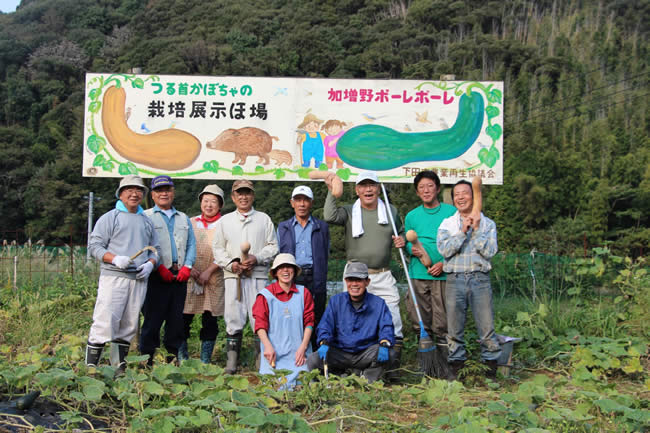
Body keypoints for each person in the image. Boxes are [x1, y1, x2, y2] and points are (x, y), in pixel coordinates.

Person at [323, 170, 406, 368]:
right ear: (357, 190)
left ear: (378, 188)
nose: (368, 189)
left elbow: (400, 232)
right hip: (355, 276)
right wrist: (332, 193)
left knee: (393, 318)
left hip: (382, 273)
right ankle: (352, 364)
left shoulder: (390, 211)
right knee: (349, 320)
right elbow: (329, 215)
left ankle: (391, 366)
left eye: (372, 185)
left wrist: (402, 240)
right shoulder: (350, 211)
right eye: (363, 185)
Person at [86, 175, 160, 374]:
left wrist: (151, 265)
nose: (134, 194)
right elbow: (95, 246)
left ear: (143, 194)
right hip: (114, 277)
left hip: (138, 279)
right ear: (121, 194)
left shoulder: (146, 221)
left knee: (128, 324)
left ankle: (118, 368)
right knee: (105, 320)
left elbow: (155, 249)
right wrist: (115, 258)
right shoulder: (110, 218)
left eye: (138, 190)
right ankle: (91, 369)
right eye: (129, 190)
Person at [212, 179, 279, 374]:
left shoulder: (264, 219)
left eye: (247, 192)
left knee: (260, 317)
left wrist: (257, 258)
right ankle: (232, 363)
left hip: (257, 276)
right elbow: (217, 248)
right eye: (239, 193)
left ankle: (262, 362)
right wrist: (231, 264)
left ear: (253, 195)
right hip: (234, 277)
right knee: (233, 318)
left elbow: (273, 246)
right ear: (233, 197)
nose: (243, 196)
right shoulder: (225, 221)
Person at [437, 180, 501, 378]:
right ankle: (456, 370)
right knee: (454, 328)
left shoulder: (488, 224)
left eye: (466, 193)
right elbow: (444, 250)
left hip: (480, 279)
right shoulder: (448, 224)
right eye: (457, 194)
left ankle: (490, 373)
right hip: (454, 279)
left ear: (474, 197)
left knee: (486, 327)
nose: (461, 197)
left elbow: (490, 251)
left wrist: (476, 231)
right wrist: (463, 231)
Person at [306, 261, 395, 383]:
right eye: (350, 280)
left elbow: (387, 327)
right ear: (346, 281)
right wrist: (324, 341)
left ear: (367, 282)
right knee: (313, 359)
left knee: (390, 354)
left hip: (365, 352)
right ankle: (329, 381)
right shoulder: (336, 301)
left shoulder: (379, 304)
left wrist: (385, 343)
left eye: (358, 280)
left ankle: (368, 380)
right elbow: (325, 325)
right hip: (340, 352)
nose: (354, 284)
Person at [140, 175, 197, 365]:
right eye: (159, 190)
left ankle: (172, 360)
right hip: (156, 277)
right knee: (152, 321)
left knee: (176, 322)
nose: (164, 193)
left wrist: (187, 266)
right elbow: (145, 245)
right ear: (153, 195)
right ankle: (146, 361)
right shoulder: (146, 217)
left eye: (167, 190)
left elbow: (191, 245)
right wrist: (158, 267)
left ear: (173, 192)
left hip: (178, 277)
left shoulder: (183, 218)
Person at [404, 171, 456, 349]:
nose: (426, 190)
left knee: (443, 320)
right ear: (417, 192)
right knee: (419, 318)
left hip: (442, 274)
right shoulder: (412, 216)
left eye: (430, 186)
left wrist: (443, 262)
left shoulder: (451, 212)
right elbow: (407, 243)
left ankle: (445, 359)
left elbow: (458, 242)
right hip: (418, 274)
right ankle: (426, 358)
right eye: (421, 188)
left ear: (438, 188)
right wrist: (414, 250)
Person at [277, 185, 329, 351]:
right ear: (292, 203)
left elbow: (326, 252)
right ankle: (293, 352)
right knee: (292, 315)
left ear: (311, 203)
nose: (302, 204)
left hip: (315, 276)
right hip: (292, 276)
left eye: (305, 200)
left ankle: (316, 354)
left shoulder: (321, 227)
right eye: (298, 200)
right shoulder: (283, 227)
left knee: (315, 314)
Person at [178, 185, 226, 364]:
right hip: (191, 275)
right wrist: (190, 268)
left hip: (214, 276)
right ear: (200, 203)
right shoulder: (189, 222)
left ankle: (205, 360)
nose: (209, 205)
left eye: (213, 201)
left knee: (210, 319)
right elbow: (181, 246)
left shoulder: (225, 224)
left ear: (220, 205)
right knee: (184, 317)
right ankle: (183, 358)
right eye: (205, 201)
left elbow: (228, 250)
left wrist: (209, 271)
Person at [252, 253, 314, 389]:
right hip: (274, 353)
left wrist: (303, 347)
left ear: (294, 271)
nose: (285, 270)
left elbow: (309, 322)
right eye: (281, 267)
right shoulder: (265, 296)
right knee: (272, 386)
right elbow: (260, 325)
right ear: (275, 272)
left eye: (289, 267)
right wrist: (267, 347)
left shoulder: (304, 293)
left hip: (299, 352)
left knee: (305, 384)